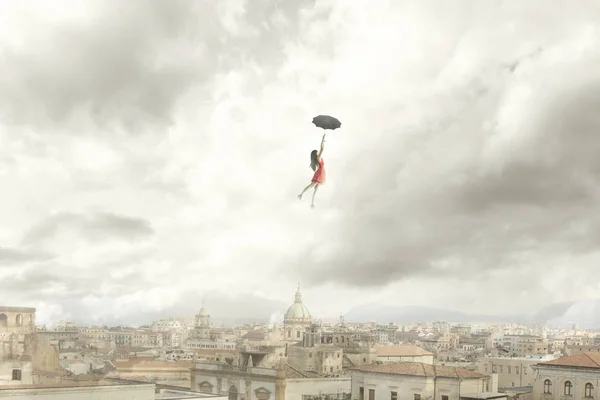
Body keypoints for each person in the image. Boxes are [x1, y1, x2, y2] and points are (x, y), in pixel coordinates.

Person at [298, 133, 326, 208]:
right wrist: (322, 140)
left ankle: (312, 203)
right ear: (316, 154)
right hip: (320, 173)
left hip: (321, 173)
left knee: (316, 188)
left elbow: (321, 149)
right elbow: (322, 149)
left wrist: (323, 141)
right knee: (312, 185)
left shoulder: (318, 158)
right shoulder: (318, 158)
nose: (318, 152)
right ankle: (301, 194)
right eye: (317, 152)